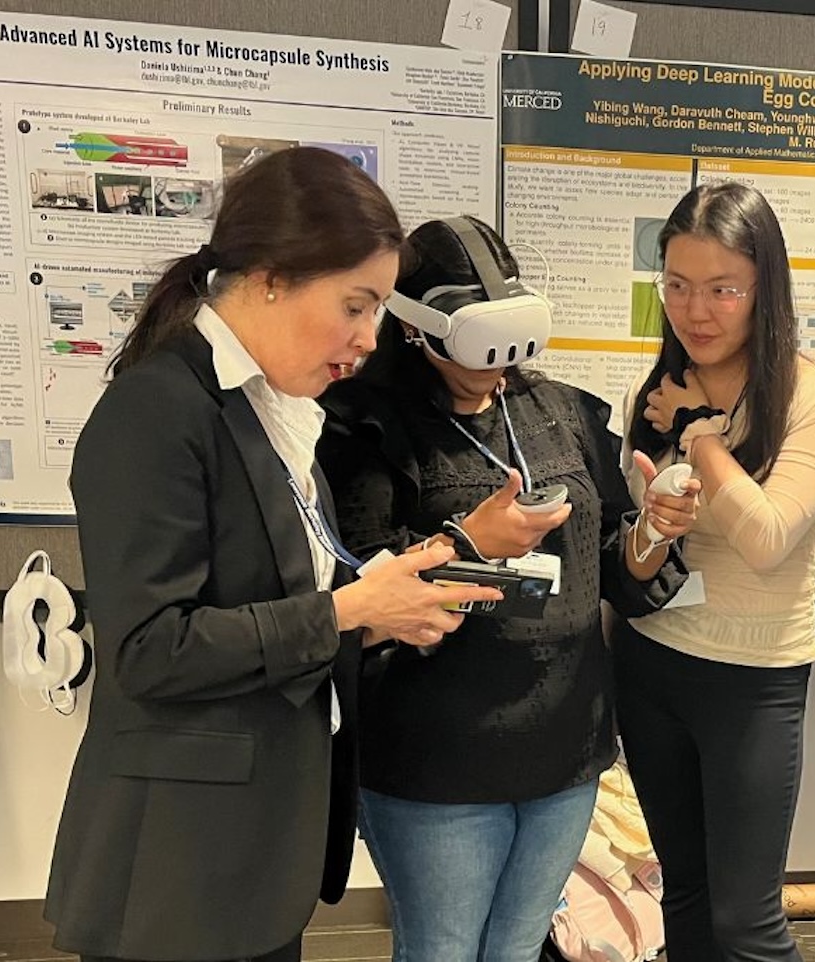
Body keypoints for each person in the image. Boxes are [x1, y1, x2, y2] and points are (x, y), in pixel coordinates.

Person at [44, 148, 501, 962]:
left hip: (255, 849)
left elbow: (282, 602)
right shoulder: (158, 412)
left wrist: (382, 614)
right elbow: (150, 650)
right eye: (356, 306)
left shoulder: (273, 412)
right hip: (177, 866)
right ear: (270, 279)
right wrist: (347, 610)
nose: (368, 341)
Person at [316, 215, 699, 962]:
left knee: (521, 947)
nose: (494, 368)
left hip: (565, 744)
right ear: (416, 327)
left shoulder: (563, 413)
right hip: (436, 755)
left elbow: (614, 563)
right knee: (443, 950)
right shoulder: (364, 427)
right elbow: (359, 588)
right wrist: (470, 542)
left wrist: (653, 530)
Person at [615, 182, 815, 962]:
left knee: (745, 922)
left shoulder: (812, 396)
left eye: (723, 289)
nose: (697, 311)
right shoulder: (647, 393)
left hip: (755, 678)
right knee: (682, 892)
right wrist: (653, 526)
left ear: (764, 291)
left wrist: (699, 436)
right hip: (651, 664)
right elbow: (634, 565)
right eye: (678, 286)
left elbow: (768, 539)